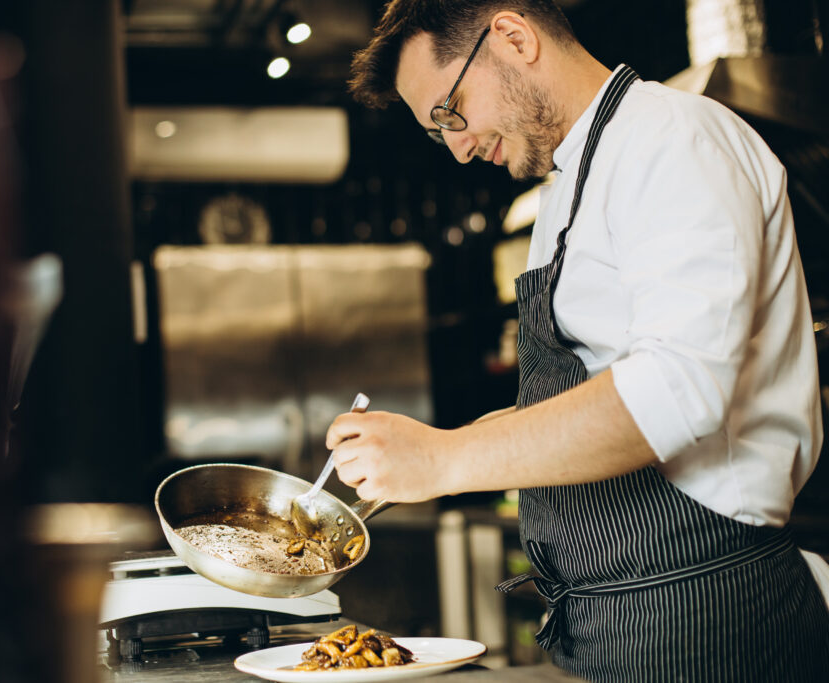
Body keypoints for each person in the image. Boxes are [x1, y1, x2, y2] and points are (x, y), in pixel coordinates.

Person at [326, 1, 829, 680]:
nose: (458, 145)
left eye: (451, 111)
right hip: (610, 615)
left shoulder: (673, 139)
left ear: (512, 36)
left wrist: (445, 460)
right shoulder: (567, 188)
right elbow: (592, 393)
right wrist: (405, 456)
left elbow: (675, 396)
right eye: (436, 131)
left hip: (701, 611)